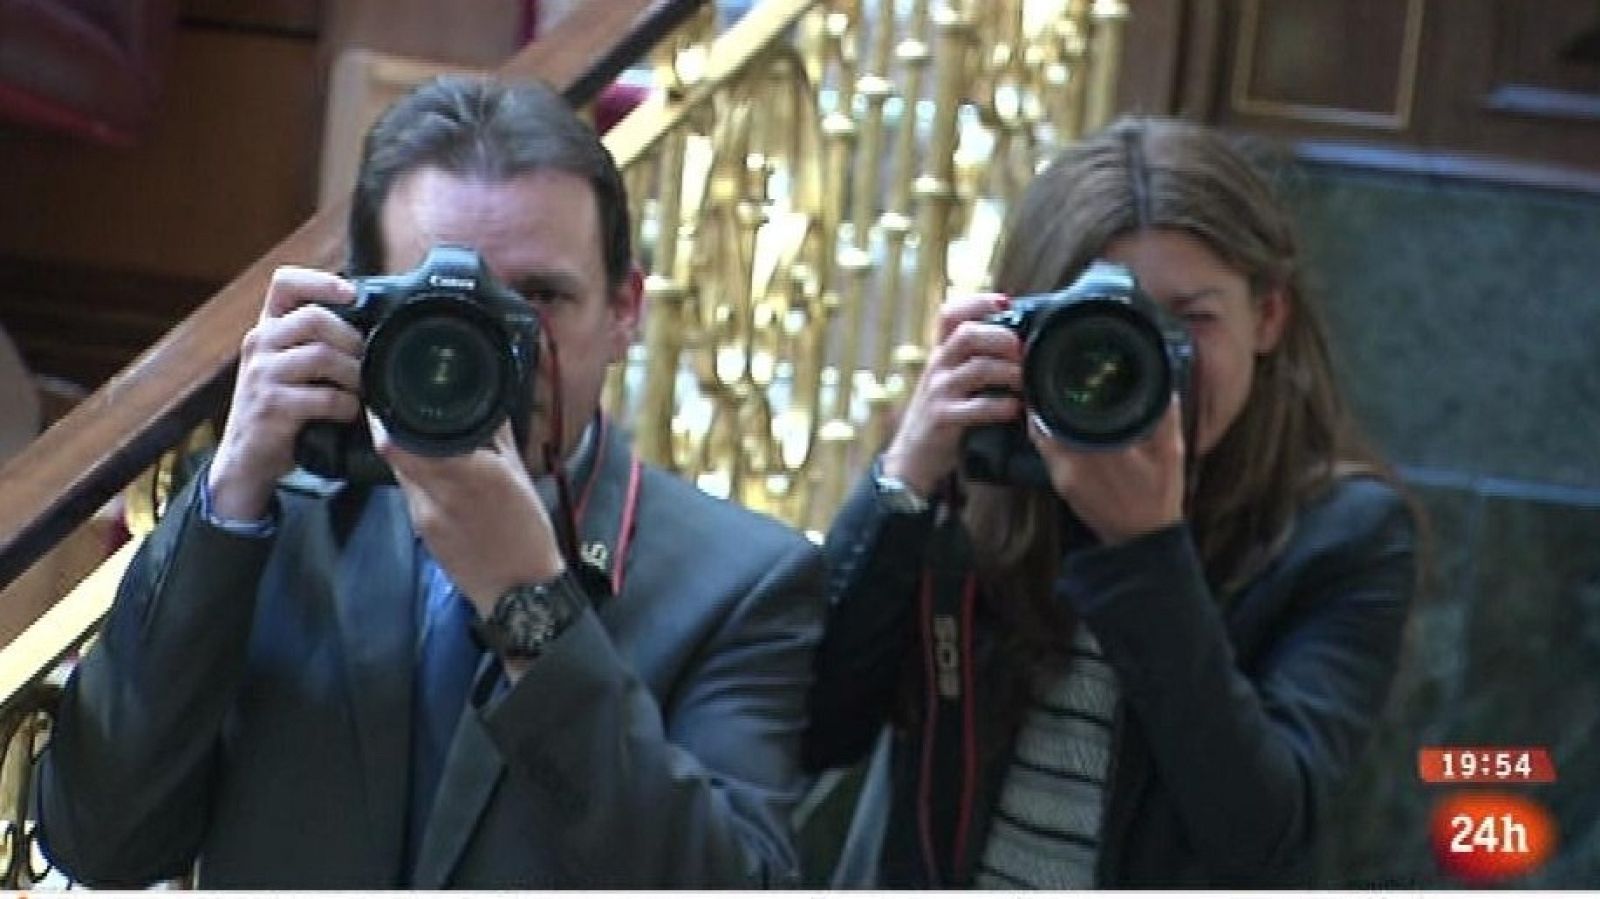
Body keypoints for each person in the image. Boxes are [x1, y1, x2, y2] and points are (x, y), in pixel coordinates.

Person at [37, 75, 825, 889]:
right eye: (436, 298)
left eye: (541, 297)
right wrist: (228, 496)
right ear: (362, 303)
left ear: (625, 309)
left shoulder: (742, 582)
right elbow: (99, 840)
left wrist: (532, 608)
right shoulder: (276, 519)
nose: (491, 341)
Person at [802, 117, 1418, 888]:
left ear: (1267, 317)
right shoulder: (980, 475)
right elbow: (812, 730)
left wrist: (1146, 554)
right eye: (1099, 326)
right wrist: (905, 478)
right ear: (1023, 320)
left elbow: (1260, 836)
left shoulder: (1340, 536)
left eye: (1190, 319)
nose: (1145, 363)